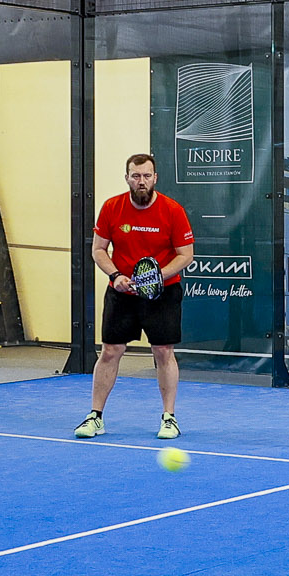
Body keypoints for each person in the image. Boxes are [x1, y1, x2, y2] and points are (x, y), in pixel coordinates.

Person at [76, 153, 194, 440]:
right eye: (136, 175)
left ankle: (169, 418)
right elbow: (98, 249)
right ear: (127, 177)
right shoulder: (111, 207)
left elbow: (185, 255)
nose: (141, 181)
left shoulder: (173, 210)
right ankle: (95, 416)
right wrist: (116, 275)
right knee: (110, 351)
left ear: (155, 178)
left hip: (162, 293)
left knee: (163, 352)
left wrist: (156, 277)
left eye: (147, 176)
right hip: (122, 292)